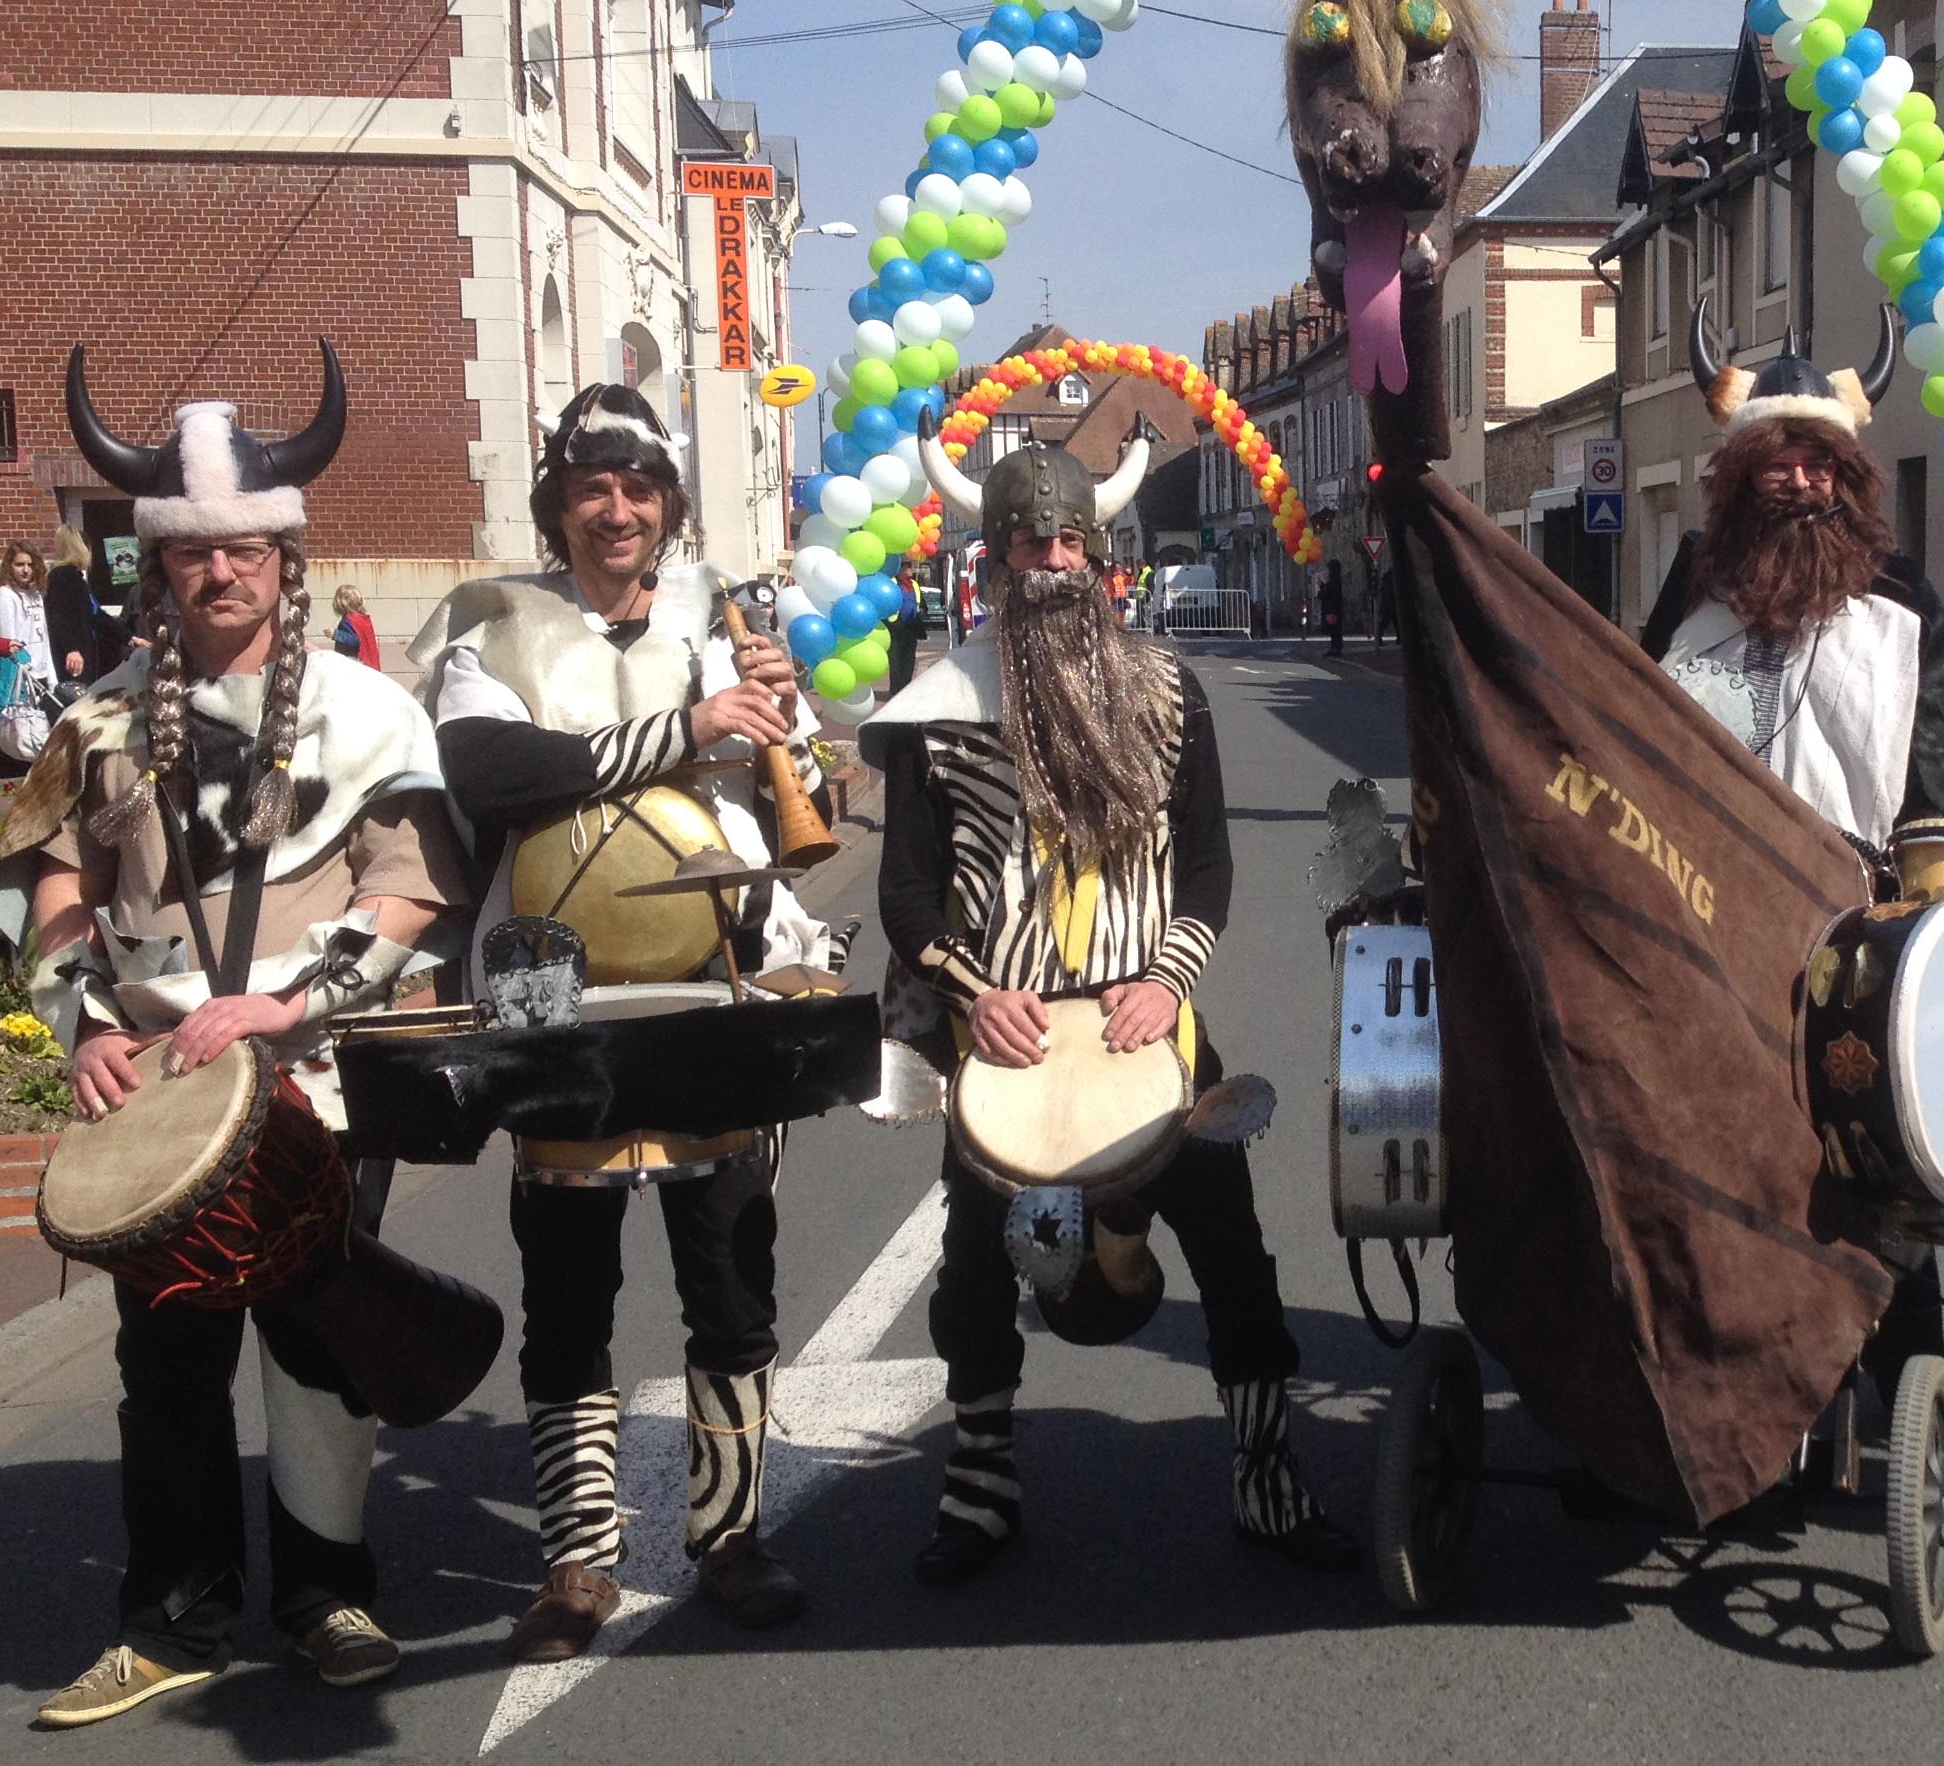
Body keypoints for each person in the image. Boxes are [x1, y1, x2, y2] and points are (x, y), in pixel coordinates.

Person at [0, 348, 468, 1726]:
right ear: (162, 565)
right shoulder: (93, 720)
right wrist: (79, 1019)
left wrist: (291, 997)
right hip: (150, 1089)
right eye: (197, 554)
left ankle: (328, 1590)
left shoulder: (368, 711)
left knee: (317, 1335)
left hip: (308, 1068)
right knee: (168, 1359)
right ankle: (172, 1616)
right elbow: (58, 882)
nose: (222, 573)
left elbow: (410, 882)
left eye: (248, 548)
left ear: (283, 557)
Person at [877, 431, 1356, 1584]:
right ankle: (978, 1487)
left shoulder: (1168, 693)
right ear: (990, 561)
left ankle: (1266, 1476)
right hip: (1010, 1031)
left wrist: (1168, 977)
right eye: (1027, 541)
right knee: (978, 1270)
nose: (1050, 559)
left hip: (1153, 1027)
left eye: (1069, 540)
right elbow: (903, 894)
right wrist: (974, 996)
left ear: (1100, 557)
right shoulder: (935, 711)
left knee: (1235, 1252)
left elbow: (1207, 870)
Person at [408, 383, 835, 1659]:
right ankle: (578, 1563)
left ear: (667, 508)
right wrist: (683, 730)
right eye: (593, 488)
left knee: (728, 1271)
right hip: (549, 983)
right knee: (569, 1282)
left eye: (640, 490)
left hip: (708, 978)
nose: (617, 511)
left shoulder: (720, 627)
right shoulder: (502, 625)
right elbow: (489, 773)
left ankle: (730, 1534)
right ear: (559, 504)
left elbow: (804, 826)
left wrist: (782, 723)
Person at [1639, 304, 1944, 1458]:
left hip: (1858, 938)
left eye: (1817, 461)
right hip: (1705, 933)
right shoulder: (1689, 606)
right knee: (1711, 1156)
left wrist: (1938, 939)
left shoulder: (1904, 613)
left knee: (1878, 1166)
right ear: (1739, 476)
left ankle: (1916, 1383)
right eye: (1774, 460)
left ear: (1847, 478)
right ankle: (1730, 1376)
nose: (1796, 480)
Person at [45, 525, 103, 694]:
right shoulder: (63, 576)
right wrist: (72, 648)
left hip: (84, 650)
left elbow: (95, 614)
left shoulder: (75, 577)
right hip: (74, 657)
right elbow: (60, 615)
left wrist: (128, 637)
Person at [0, 542, 58, 692]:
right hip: (19, 678)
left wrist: (52, 679)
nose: (26, 570)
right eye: (20, 564)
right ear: (9, 566)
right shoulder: (5, 596)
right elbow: (8, 642)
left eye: (30, 564)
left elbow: (44, 638)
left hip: (40, 674)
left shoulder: (36, 595)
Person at [329, 583, 381, 671]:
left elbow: (356, 640)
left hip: (354, 664)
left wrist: (336, 634)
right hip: (369, 665)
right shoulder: (364, 620)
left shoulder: (347, 622)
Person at [1318, 563, 1345, 657]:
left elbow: (1325, 595)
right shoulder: (1335, 581)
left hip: (1332, 610)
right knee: (1335, 631)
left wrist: (1322, 587)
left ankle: (1335, 649)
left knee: (1335, 631)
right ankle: (1335, 648)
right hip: (1335, 610)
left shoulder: (1333, 582)